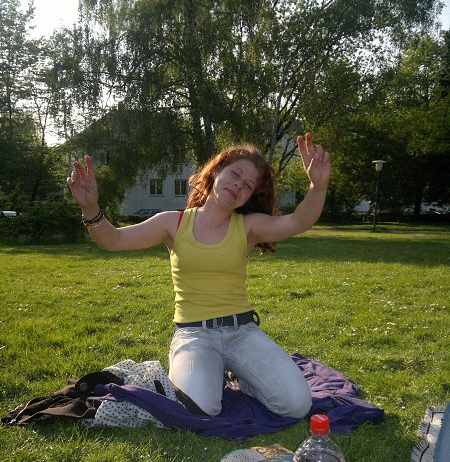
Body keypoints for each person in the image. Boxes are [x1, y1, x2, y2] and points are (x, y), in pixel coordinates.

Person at [67, 133, 331, 418]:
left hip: (242, 332)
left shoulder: (249, 226)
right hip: (194, 335)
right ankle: (212, 372)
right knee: (200, 407)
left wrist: (317, 186)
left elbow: (299, 221)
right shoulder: (173, 223)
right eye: (235, 174)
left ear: (249, 196)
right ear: (216, 171)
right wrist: (90, 207)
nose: (238, 185)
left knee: (296, 406)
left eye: (247, 185)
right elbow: (114, 240)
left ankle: (244, 376)